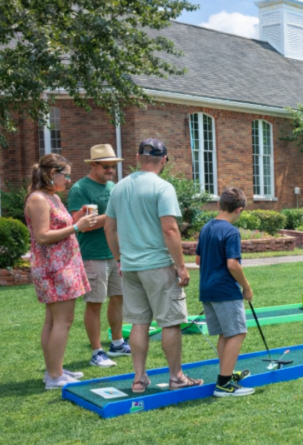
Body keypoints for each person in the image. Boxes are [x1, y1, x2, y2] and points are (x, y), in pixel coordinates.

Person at [104, 138, 203, 393]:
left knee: (139, 322)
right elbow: (170, 229)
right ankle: (177, 377)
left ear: (137, 158)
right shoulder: (163, 187)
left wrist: (119, 259)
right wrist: (181, 266)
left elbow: (109, 227)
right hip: (158, 265)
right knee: (170, 323)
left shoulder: (118, 188)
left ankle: (138, 379)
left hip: (131, 267)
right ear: (164, 161)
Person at [25, 154, 98, 388]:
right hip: (53, 268)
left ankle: (54, 370)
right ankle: (54, 377)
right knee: (62, 321)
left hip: (64, 265)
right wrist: (77, 226)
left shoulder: (52, 197)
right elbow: (43, 236)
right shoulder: (38, 199)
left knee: (54, 320)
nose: (68, 180)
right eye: (65, 175)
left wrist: (78, 217)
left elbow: (61, 226)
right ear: (50, 174)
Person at [67, 144, 128, 368]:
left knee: (119, 298)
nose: (111, 170)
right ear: (93, 165)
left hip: (115, 254)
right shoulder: (80, 189)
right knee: (94, 303)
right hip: (92, 255)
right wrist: (112, 215)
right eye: (106, 166)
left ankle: (118, 343)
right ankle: (96, 352)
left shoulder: (113, 186)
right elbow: (79, 225)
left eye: (113, 166)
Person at [195, 187, 255, 397]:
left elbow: (198, 260)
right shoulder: (231, 231)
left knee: (225, 333)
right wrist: (246, 287)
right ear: (239, 209)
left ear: (219, 204)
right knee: (238, 332)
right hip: (225, 290)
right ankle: (223, 384)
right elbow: (233, 265)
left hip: (207, 289)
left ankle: (226, 375)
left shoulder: (206, 228)